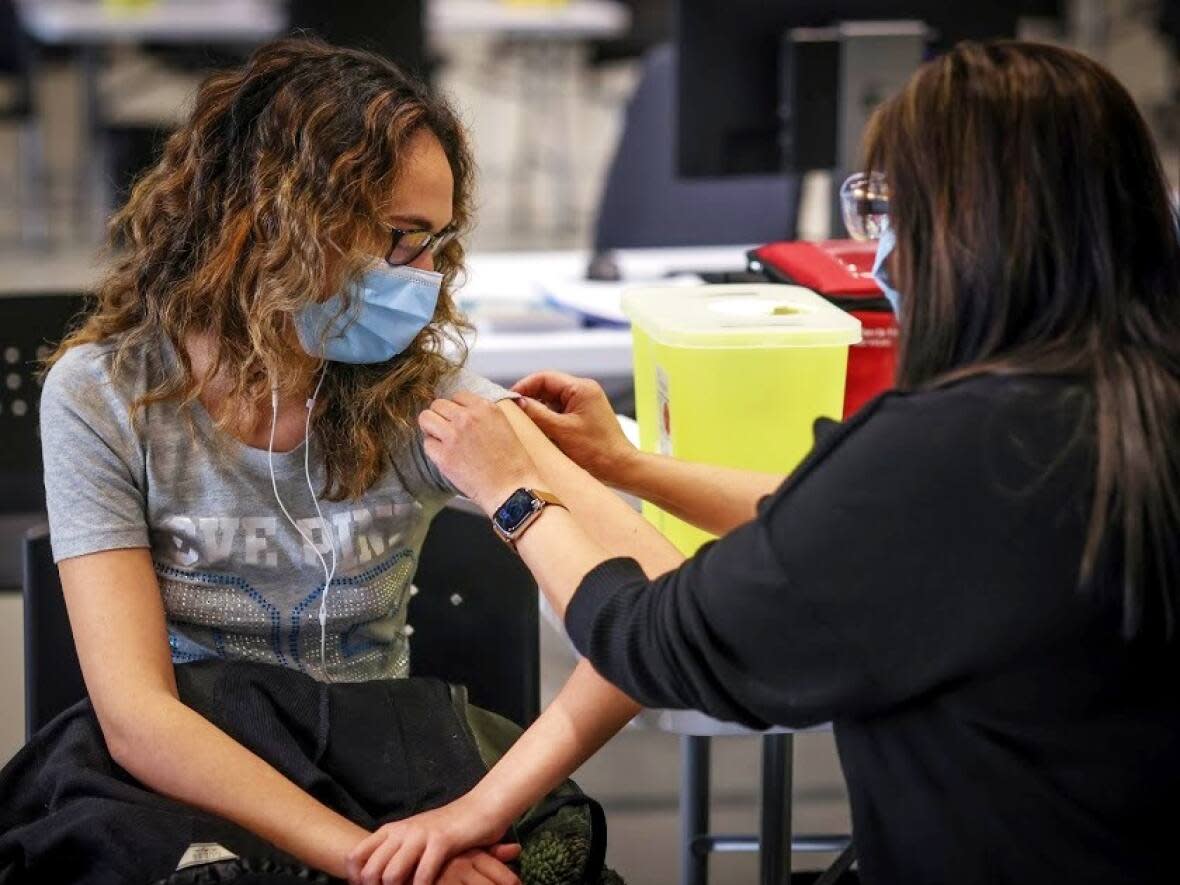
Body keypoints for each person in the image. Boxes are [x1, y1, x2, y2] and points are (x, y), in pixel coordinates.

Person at [417, 41, 1180, 884]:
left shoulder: (956, 446)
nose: (878, 254)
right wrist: (630, 468)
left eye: (891, 213)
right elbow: (830, 514)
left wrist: (515, 493)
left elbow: (655, 643)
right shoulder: (1123, 404)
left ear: (962, 230)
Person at [20, 37, 682, 885]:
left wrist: (460, 823)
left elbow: (658, 597)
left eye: (438, 243)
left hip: (382, 765)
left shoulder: (425, 399)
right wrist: (381, 864)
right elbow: (141, 720)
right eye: (403, 238)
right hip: (196, 778)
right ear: (273, 217)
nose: (426, 277)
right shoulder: (107, 394)